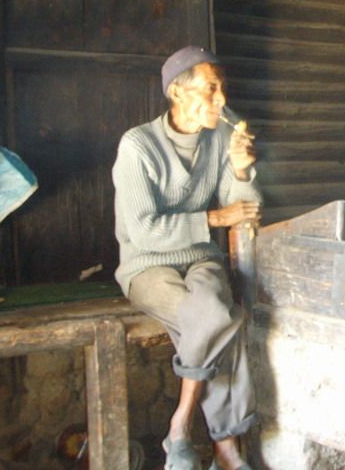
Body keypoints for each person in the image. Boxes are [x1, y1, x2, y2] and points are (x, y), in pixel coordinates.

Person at [112, 46, 262, 470]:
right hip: (146, 264)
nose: (221, 99)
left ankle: (180, 423)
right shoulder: (138, 145)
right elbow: (144, 231)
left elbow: (243, 210)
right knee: (216, 318)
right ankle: (225, 447)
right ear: (177, 92)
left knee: (214, 311)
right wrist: (214, 217)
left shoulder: (219, 138)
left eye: (222, 89)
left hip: (199, 257)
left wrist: (240, 170)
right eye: (211, 88)